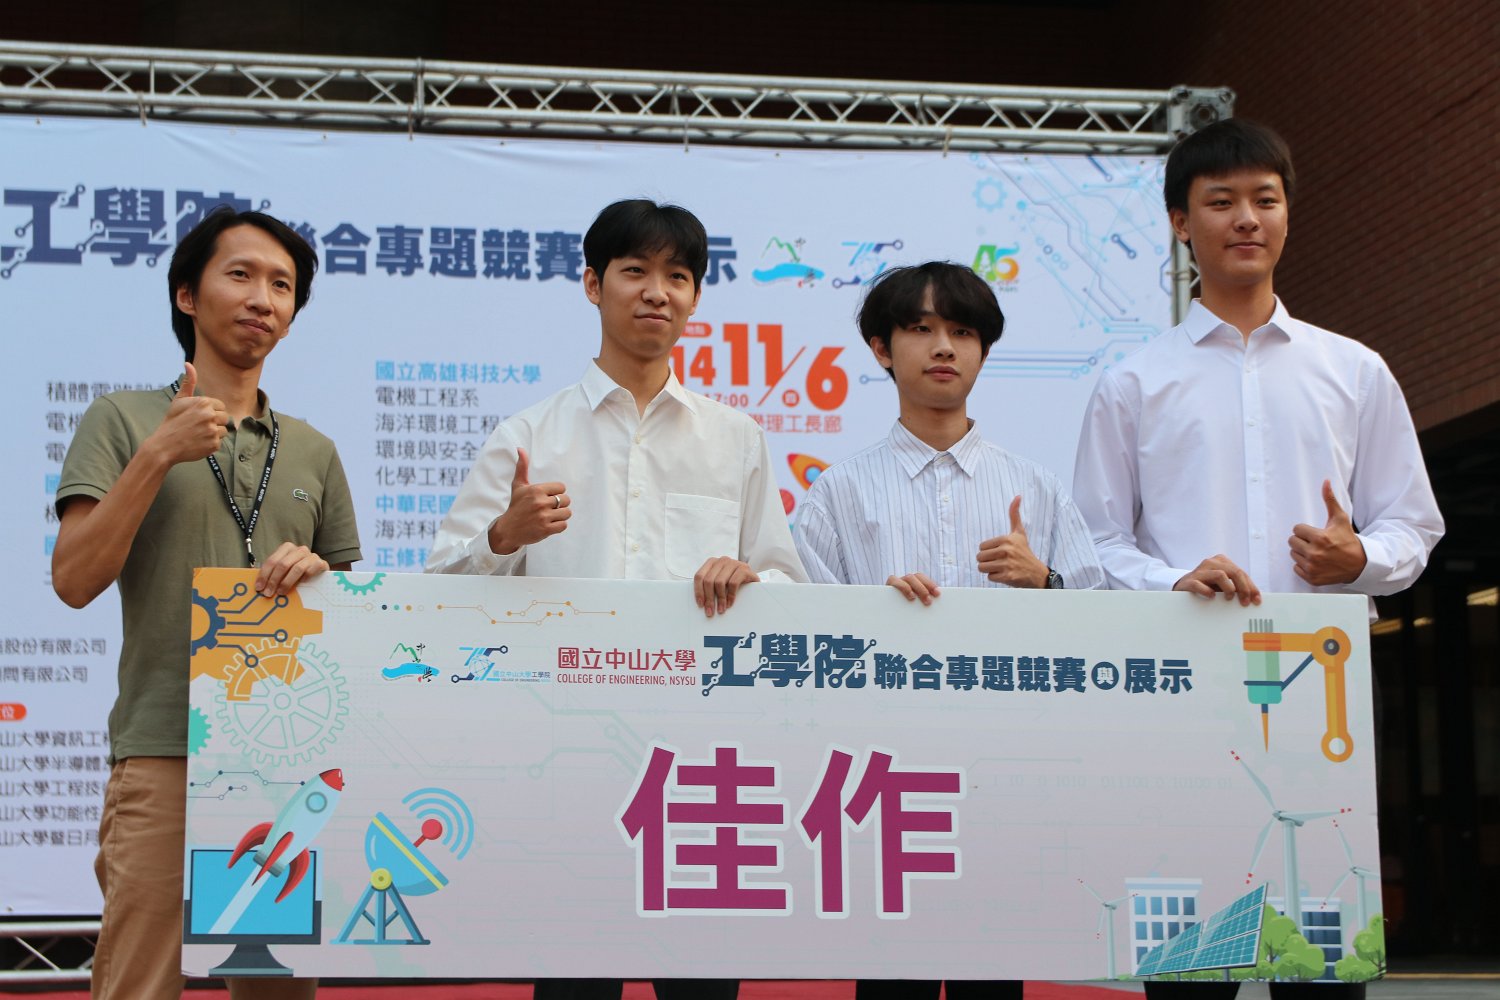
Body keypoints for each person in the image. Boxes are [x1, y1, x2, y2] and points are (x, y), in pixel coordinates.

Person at [1072, 118, 1443, 998]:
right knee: (1191, 959)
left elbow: (1413, 527)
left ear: (1286, 214)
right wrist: (1170, 578)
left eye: (1265, 200)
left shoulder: (1355, 371)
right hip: (1184, 688)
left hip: (1323, 691)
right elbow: (1090, 546)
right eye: (1221, 201)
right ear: (1180, 222)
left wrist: (1358, 557)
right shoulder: (1133, 382)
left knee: (1321, 959)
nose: (1247, 218)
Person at [427, 198, 808, 1000]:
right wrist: (503, 536)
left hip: (700, 757)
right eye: (635, 271)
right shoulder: (528, 437)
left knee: (701, 981)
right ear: (593, 285)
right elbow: (440, 592)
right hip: (566, 754)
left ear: (695, 298)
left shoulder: (737, 438)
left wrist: (751, 581)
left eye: (678, 276)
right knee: (576, 979)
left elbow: (785, 581)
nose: (657, 292)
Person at [53, 206, 362, 1000]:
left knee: (276, 988)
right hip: (165, 748)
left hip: (283, 760)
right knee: (141, 984)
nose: (263, 298)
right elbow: (74, 580)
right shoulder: (123, 420)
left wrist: (320, 580)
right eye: (242, 275)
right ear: (187, 295)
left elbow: (354, 625)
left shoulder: (315, 451)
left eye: (282, 286)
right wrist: (158, 453)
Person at [795, 261, 1104, 1000]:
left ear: (984, 352)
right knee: (892, 973)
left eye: (963, 332)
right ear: (880, 348)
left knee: (991, 971)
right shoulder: (837, 492)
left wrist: (1045, 582)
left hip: (1006, 773)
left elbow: (1102, 630)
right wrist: (868, 621)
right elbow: (800, 638)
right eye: (921, 328)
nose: (943, 347)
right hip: (884, 780)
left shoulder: (1036, 488)